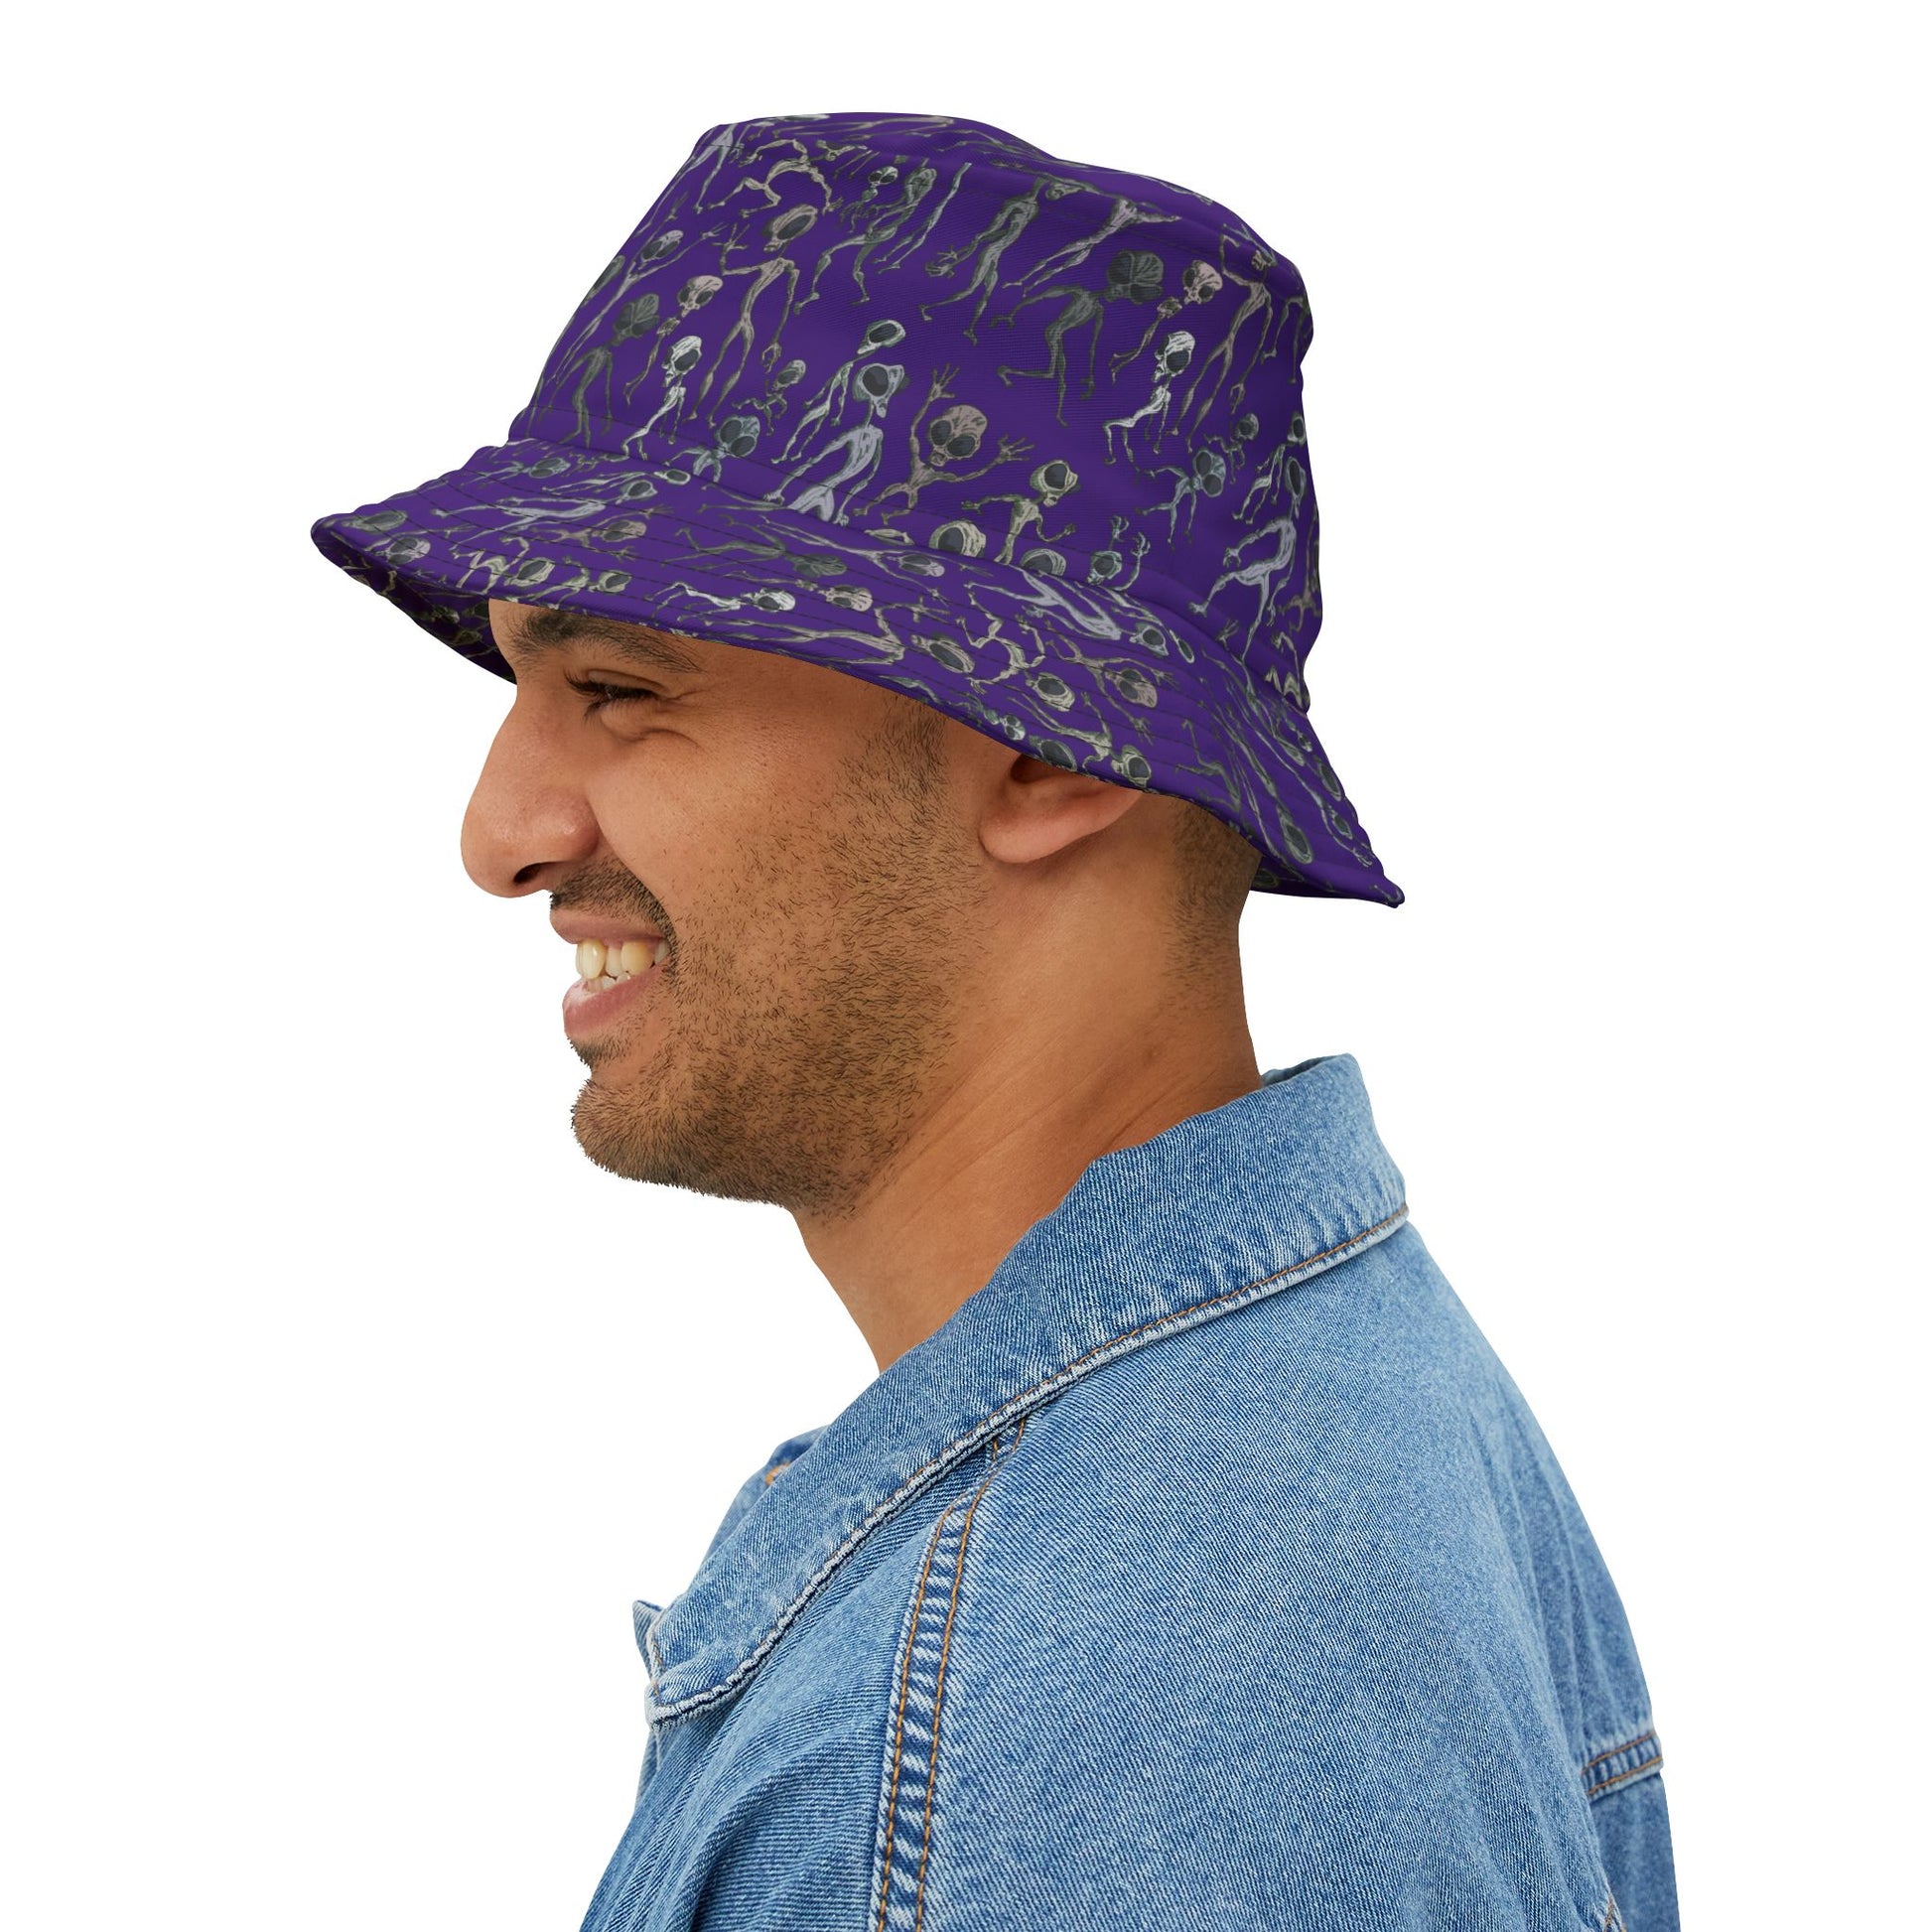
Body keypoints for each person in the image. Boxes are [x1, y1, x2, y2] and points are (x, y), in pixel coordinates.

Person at [311, 110, 1678, 1932]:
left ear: (1049, 745)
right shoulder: (1336, 1413)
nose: (499, 833)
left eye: (622, 688)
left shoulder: (1034, 1736)